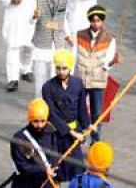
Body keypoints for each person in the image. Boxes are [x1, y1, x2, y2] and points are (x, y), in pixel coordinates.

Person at [42, 48, 89, 182]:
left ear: (70, 68)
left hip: (74, 135)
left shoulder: (78, 84)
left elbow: (82, 109)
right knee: (57, 171)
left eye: (64, 68)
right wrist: (70, 132)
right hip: (57, 135)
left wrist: (86, 128)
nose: (61, 72)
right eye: (58, 68)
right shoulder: (48, 87)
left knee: (78, 171)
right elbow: (51, 114)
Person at [0, 0, 44, 92]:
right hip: (14, 16)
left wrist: (40, 10)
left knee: (29, 45)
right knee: (13, 46)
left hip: (31, 15)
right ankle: (12, 78)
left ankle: (26, 69)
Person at [75, 5, 117, 143]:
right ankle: (79, 136)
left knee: (96, 113)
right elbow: (74, 54)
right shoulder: (80, 35)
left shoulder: (109, 38)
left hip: (98, 80)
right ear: (89, 21)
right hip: (81, 79)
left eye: (98, 21)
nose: (95, 23)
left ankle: (95, 139)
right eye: (93, 21)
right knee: (79, 109)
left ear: (102, 21)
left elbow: (109, 59)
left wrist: (111, 62)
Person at [32, 0, 70, 98]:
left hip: (58, 43)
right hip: (42, 42)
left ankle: (53, 101)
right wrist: (34, 16)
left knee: (55, 75)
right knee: (40, 75)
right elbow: (30, 21)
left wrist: (68, 36)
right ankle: (39, 100)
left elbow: (64, 19)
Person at [9, 99, 59, 188]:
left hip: (46, 181)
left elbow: (54, 156)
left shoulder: (51, 132)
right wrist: (43, 171)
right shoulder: (19, 138)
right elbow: (22, 166)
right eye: (36, 121)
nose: (40, 125)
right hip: (26, 183)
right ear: (30, 119)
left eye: (43, 121)